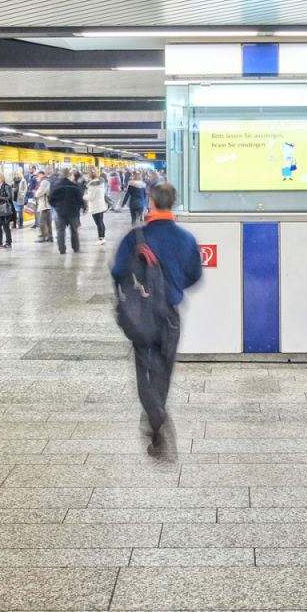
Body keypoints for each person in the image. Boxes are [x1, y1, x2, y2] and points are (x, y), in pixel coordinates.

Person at [110, 181, 202, 455]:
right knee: (163, 368)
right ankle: (158, 409)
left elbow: (117, 272)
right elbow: (195, 274)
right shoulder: (186, 239)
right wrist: (172, 288)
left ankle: (155, 412)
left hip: (140, 314)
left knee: (144, 366)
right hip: (169, 315)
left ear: (150, 201)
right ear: (173, 203)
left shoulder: (135, 237)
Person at [49, 169, 86, 254]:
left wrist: (56, 206)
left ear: (60, 175)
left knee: (60, 230)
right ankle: (75, 248)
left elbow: (50, 199)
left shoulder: (56, 186)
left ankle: (62, 249)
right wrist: (82, 207)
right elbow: (80, 199)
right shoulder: (74, 186)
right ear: (69, 175)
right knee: (74, 230)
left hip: (60, 212)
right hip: (73, 212)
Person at [85, 169, 110, 245]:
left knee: (98, 223)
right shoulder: (101, 183)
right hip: (101, 204)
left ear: (90, 176)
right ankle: (103, 238)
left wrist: (84, 196)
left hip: (95, 206)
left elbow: (91, 197)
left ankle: (100, 239)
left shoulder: (93, 185)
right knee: (101, 222)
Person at [0, 172, 14, 248]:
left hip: (5, 209)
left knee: (5, 226)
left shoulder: (6, 186)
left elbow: (9, 198)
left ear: (0, 179)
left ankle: (8, 242)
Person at [34, 169, 53, 242]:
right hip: (47, 204)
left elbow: (39, 193)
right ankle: (50, 236)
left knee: (42, 222)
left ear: (42, 175)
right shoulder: (46, 181)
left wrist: (36, 193)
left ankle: (43, 236)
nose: (37, 177)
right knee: (48, 222)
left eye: (38, 175)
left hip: (44, 205)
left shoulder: (44, 182)